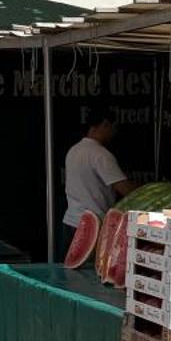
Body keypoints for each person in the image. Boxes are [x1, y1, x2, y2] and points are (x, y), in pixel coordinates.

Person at [63, 108, 139, 258]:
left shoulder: (74, 150)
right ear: (105, 124)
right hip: (93, 226)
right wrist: (150, 188)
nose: (114, 133)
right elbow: (124, 189)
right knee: (89, 276)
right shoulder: (101, 155)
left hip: (70, 222)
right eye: (114, 127)